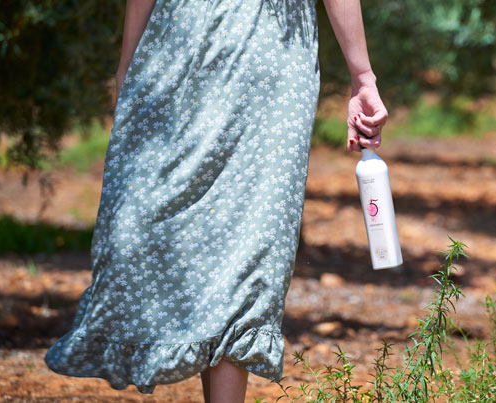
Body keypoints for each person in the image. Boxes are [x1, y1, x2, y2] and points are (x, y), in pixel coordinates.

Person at [43, 0, 387, 401]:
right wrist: (362, 75)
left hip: (184, 39)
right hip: (270, 51)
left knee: (199, 225)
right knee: (244, 239)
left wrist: (129, 61)